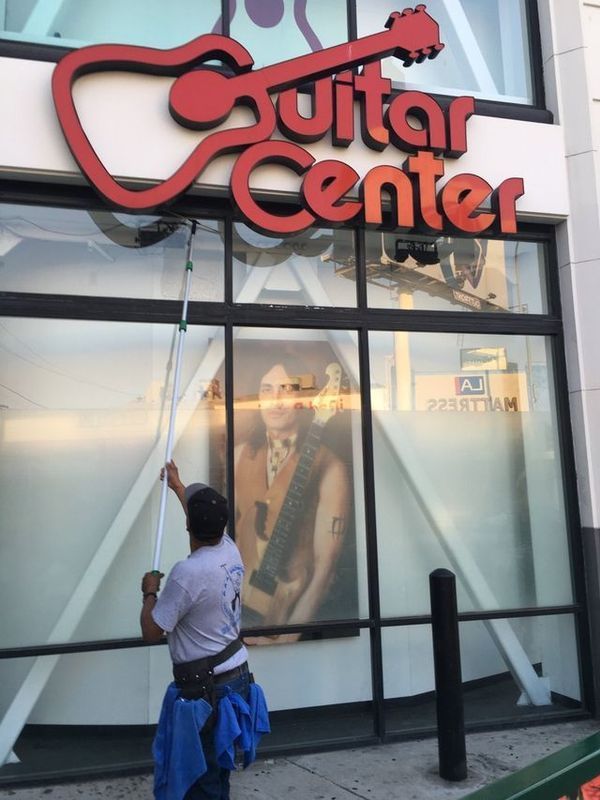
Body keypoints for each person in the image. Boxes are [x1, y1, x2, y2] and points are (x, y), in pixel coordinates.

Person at [140, 462, 269, 800]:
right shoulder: (229, 550)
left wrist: (150, 591)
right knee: (217, 771)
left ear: (188, 526)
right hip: (235, 679)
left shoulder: (188, 572)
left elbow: (152, 630)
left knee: (203, 781)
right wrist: (179, 487)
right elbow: (199, 518)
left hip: (206, 691)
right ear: (222, 525)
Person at [234, 358, 351, 644]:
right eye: (266, 389)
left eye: (286, 389)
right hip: (237, 612)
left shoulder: (331, 467)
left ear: (304, 398)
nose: (275, 400)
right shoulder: (239, 455)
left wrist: (288, 639)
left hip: (287, 617)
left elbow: (325, 570)